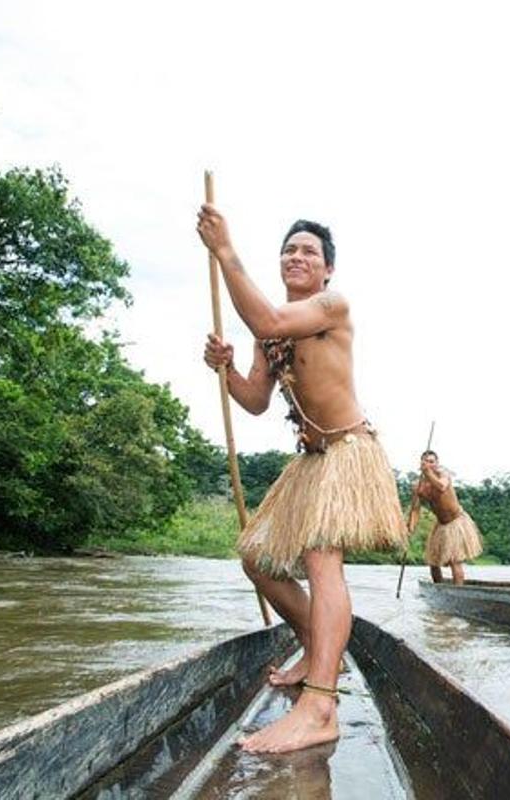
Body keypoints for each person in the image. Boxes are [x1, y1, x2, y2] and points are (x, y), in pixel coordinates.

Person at [197, 207, 405, 754]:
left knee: (319, 558)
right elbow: (256, 402)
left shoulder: (330, 306)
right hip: (310, 462)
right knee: (258, 560)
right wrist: (226, 371)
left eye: (308, 251)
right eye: (289, 250)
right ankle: (317, 648)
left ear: (327, 270)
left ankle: (320, 706)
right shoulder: (274, 334)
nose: (296, 256)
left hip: (347, 453)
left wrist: (224, 251)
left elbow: (265, 320)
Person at [407, 450, 483, 584]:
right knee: (433, 562)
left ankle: (458, 591)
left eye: (432, 462)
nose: (429, 464)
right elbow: (415, 510)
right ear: (421, 463)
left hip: (456, 522)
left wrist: (428, 472)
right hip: (440, 525)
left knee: (454, 560)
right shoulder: (418, 486)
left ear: (437, 464)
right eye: (426, 462)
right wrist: (410, 529)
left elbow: (441, 486)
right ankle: (439, 590)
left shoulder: (444, 474)